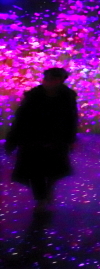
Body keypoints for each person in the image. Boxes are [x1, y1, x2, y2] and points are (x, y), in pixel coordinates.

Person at [5, 67, 78, 215]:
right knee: (35, 170)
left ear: (60, 80)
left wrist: (69, 139)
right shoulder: (34, 95)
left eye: (52, 79)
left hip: (55, 139)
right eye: (47, 79)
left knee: (51, 170)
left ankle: (46, 193)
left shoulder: (67, 97)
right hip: (33, 138)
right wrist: (13, 139)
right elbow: (21, 118)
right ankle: (41, 198)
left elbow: (71, 119)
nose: (48, 82)